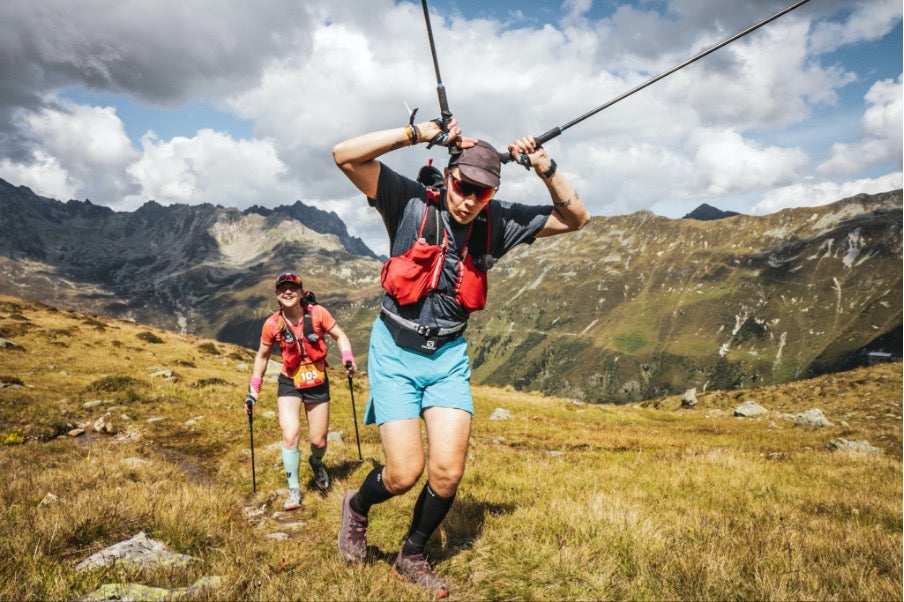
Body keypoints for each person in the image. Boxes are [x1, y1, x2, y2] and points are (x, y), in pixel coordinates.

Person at [331, 118, 589, 597]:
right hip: (395, 352)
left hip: (447, 355)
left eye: (482, 193)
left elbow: (577, 218)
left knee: (447, 473)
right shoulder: (408, 202)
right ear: (448, 176)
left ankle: (411, 554)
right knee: (403, 474)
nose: (470, 200)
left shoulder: (498, 223)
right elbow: (344, 154)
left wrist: (544, 166)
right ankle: (358, 506)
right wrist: (416, 133)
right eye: (464, 186)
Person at [245, 271, 357, 511]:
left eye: (292, 288)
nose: (287, 292)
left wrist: (347, 358)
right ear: (277, 295)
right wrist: (253, 392)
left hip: (317, 382)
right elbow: (262, 357)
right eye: (282, 288)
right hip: (289, 382)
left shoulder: (318, 314)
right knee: (290, 434)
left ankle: (316, 462)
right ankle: (294, 490)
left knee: (319, 441)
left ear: (300, 292)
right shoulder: (272, 324)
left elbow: (340, 336)